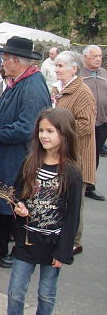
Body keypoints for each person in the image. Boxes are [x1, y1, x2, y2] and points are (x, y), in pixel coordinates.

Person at [7, 108, 82, 315]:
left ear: (65, 134)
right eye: (41, 130)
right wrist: (17, 206)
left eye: (50, 131)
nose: (44, 135)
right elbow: (16, 194)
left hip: (53, 245)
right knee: (15, 292)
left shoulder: (71, 172)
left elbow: (73, 214)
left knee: (46, 294)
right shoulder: (29, 163)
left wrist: (64, 250)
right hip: (27, 241)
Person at [0, 37, 51, 268]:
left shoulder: (32, 85)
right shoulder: (17, 82)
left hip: (18, 156)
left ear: (17, 61)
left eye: (5, 58)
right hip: (4, 155)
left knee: (16, 202)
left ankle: (19, 248)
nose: (2, 62)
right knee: (0, 200)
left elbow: (27, 127)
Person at [52, 51, 96, 256]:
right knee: (62, 197)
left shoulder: (83, 92)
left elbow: (86, 125)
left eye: (60, 66)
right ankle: (62, 235)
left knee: (75, 201)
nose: (56, 69)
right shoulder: (61, 89)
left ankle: (74, 241)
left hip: (77, 157)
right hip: (62, 154)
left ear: (73, 68)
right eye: (57, 65)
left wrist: (59, 132)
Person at [81, 45, 106, 201]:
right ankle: (80, 183)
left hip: (103, 121)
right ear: (85, 57)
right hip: (86, 121)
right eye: (94, 56)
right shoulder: (78, 74)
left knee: (95, 154)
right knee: (84, 154)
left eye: (100, 56)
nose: (98, 59)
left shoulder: (104, 73)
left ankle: (90, 185)